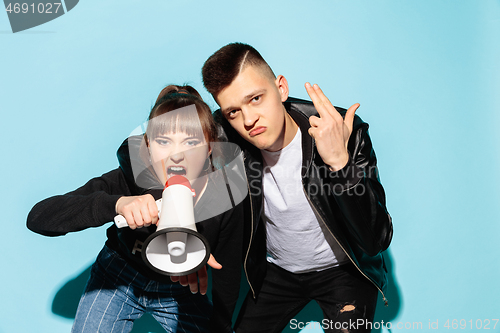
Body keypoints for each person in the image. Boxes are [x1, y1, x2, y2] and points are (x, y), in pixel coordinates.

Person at [199, 43, 393, 333]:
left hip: (343, 270)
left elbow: (374, 240)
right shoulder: (226, 136)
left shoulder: (342, 131)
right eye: (233, 112)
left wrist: (340, 163)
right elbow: (139, 151)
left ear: (281, 88)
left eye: (255, 98)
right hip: (277, 272)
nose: (249, 120)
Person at [27, 85, 245, 333]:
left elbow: (228, 278)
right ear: (149, 148)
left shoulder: (225, 198)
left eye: (191, 141)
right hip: (117, 277)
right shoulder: (127, 179)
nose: (176, 155)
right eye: (164, 142)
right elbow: (38, 217)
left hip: (180, 290)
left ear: (208, 149)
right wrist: (117, 204)